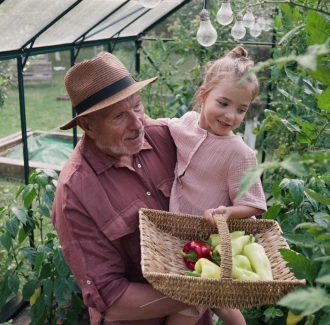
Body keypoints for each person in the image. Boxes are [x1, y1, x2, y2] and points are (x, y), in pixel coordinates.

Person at [51, 51, 213, 325]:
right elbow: (111, 301)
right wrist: (202, 293)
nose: (138, 124)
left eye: (137, 106)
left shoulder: (164, 137)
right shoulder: (75, 194)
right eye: (119, 116)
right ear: (87, 126)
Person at [163, 46, 267, 325]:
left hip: (213, 243)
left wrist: (228, 212)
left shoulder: (239, 153)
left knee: (186, 309)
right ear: (203, 95)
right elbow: (162, 125)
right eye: (223, 103)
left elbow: (255, 202)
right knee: (219, 300)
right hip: (181, 237)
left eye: (241, 109)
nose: (230, 116)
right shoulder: (186, 124)